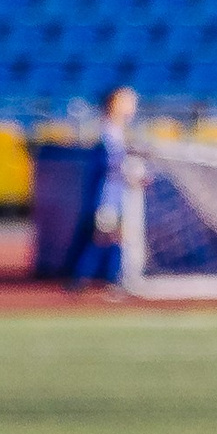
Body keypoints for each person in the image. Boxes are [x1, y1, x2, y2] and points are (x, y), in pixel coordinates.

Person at [62, 85, 138, 292]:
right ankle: (86, 278)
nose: (132, 106)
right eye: (128, 101)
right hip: (106, 197)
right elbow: (108, 166)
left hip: (114, 196)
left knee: (111, 237)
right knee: (103, 236)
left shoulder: (117, 132)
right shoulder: (108, 132)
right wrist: (129, 173)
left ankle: (101, 278)